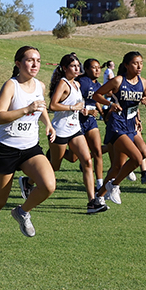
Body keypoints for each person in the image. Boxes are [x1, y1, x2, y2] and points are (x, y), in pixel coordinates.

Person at [0, 46, 56, 253]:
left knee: (48, 185)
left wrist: (48, 123)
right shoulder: (11, 86)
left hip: (30, 147)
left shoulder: (40, 85)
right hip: (7, 148)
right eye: (30, 60)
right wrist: (25, 110)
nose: (35, 64)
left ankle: (22, 211)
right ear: (18, 64)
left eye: (38, 60)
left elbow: (41, 105)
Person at [47, 53, 107, 214]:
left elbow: (77, 104)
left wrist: (84, 109)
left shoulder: (76, 85)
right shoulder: (63, 83)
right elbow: (53, 105)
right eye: (73, 66)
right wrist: (72, 108)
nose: (77, 68)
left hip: (75, 129)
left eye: (78, 65)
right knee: (55, 166)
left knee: (87, 160)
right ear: (65, 68)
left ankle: (92, 202)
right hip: (60, 130)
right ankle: (28, 181)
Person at [93, 51, 146, 205]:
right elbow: (97, 95)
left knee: (118, 166)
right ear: (126, 65)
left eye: (141, 62)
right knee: (137, 158)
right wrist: (110, 104)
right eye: (135, 63)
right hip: (116, 125)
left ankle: (98, 198)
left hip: (131, 126)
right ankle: (114, 185)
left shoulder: (143, 82)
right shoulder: (118, 81)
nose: (139, 66)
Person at [76, 58, 108, 191]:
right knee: (72, 157)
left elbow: (96, 100)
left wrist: (102, 113)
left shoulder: (98, 85)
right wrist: (86, 110)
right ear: (87, 69)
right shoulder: (81, 83)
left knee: (98, 151)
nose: (97, 70)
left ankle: (100, 184)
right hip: (77, 122)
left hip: (91, 122)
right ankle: (53, 155)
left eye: (99, 68)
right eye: (94, 68)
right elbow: (75, 100)